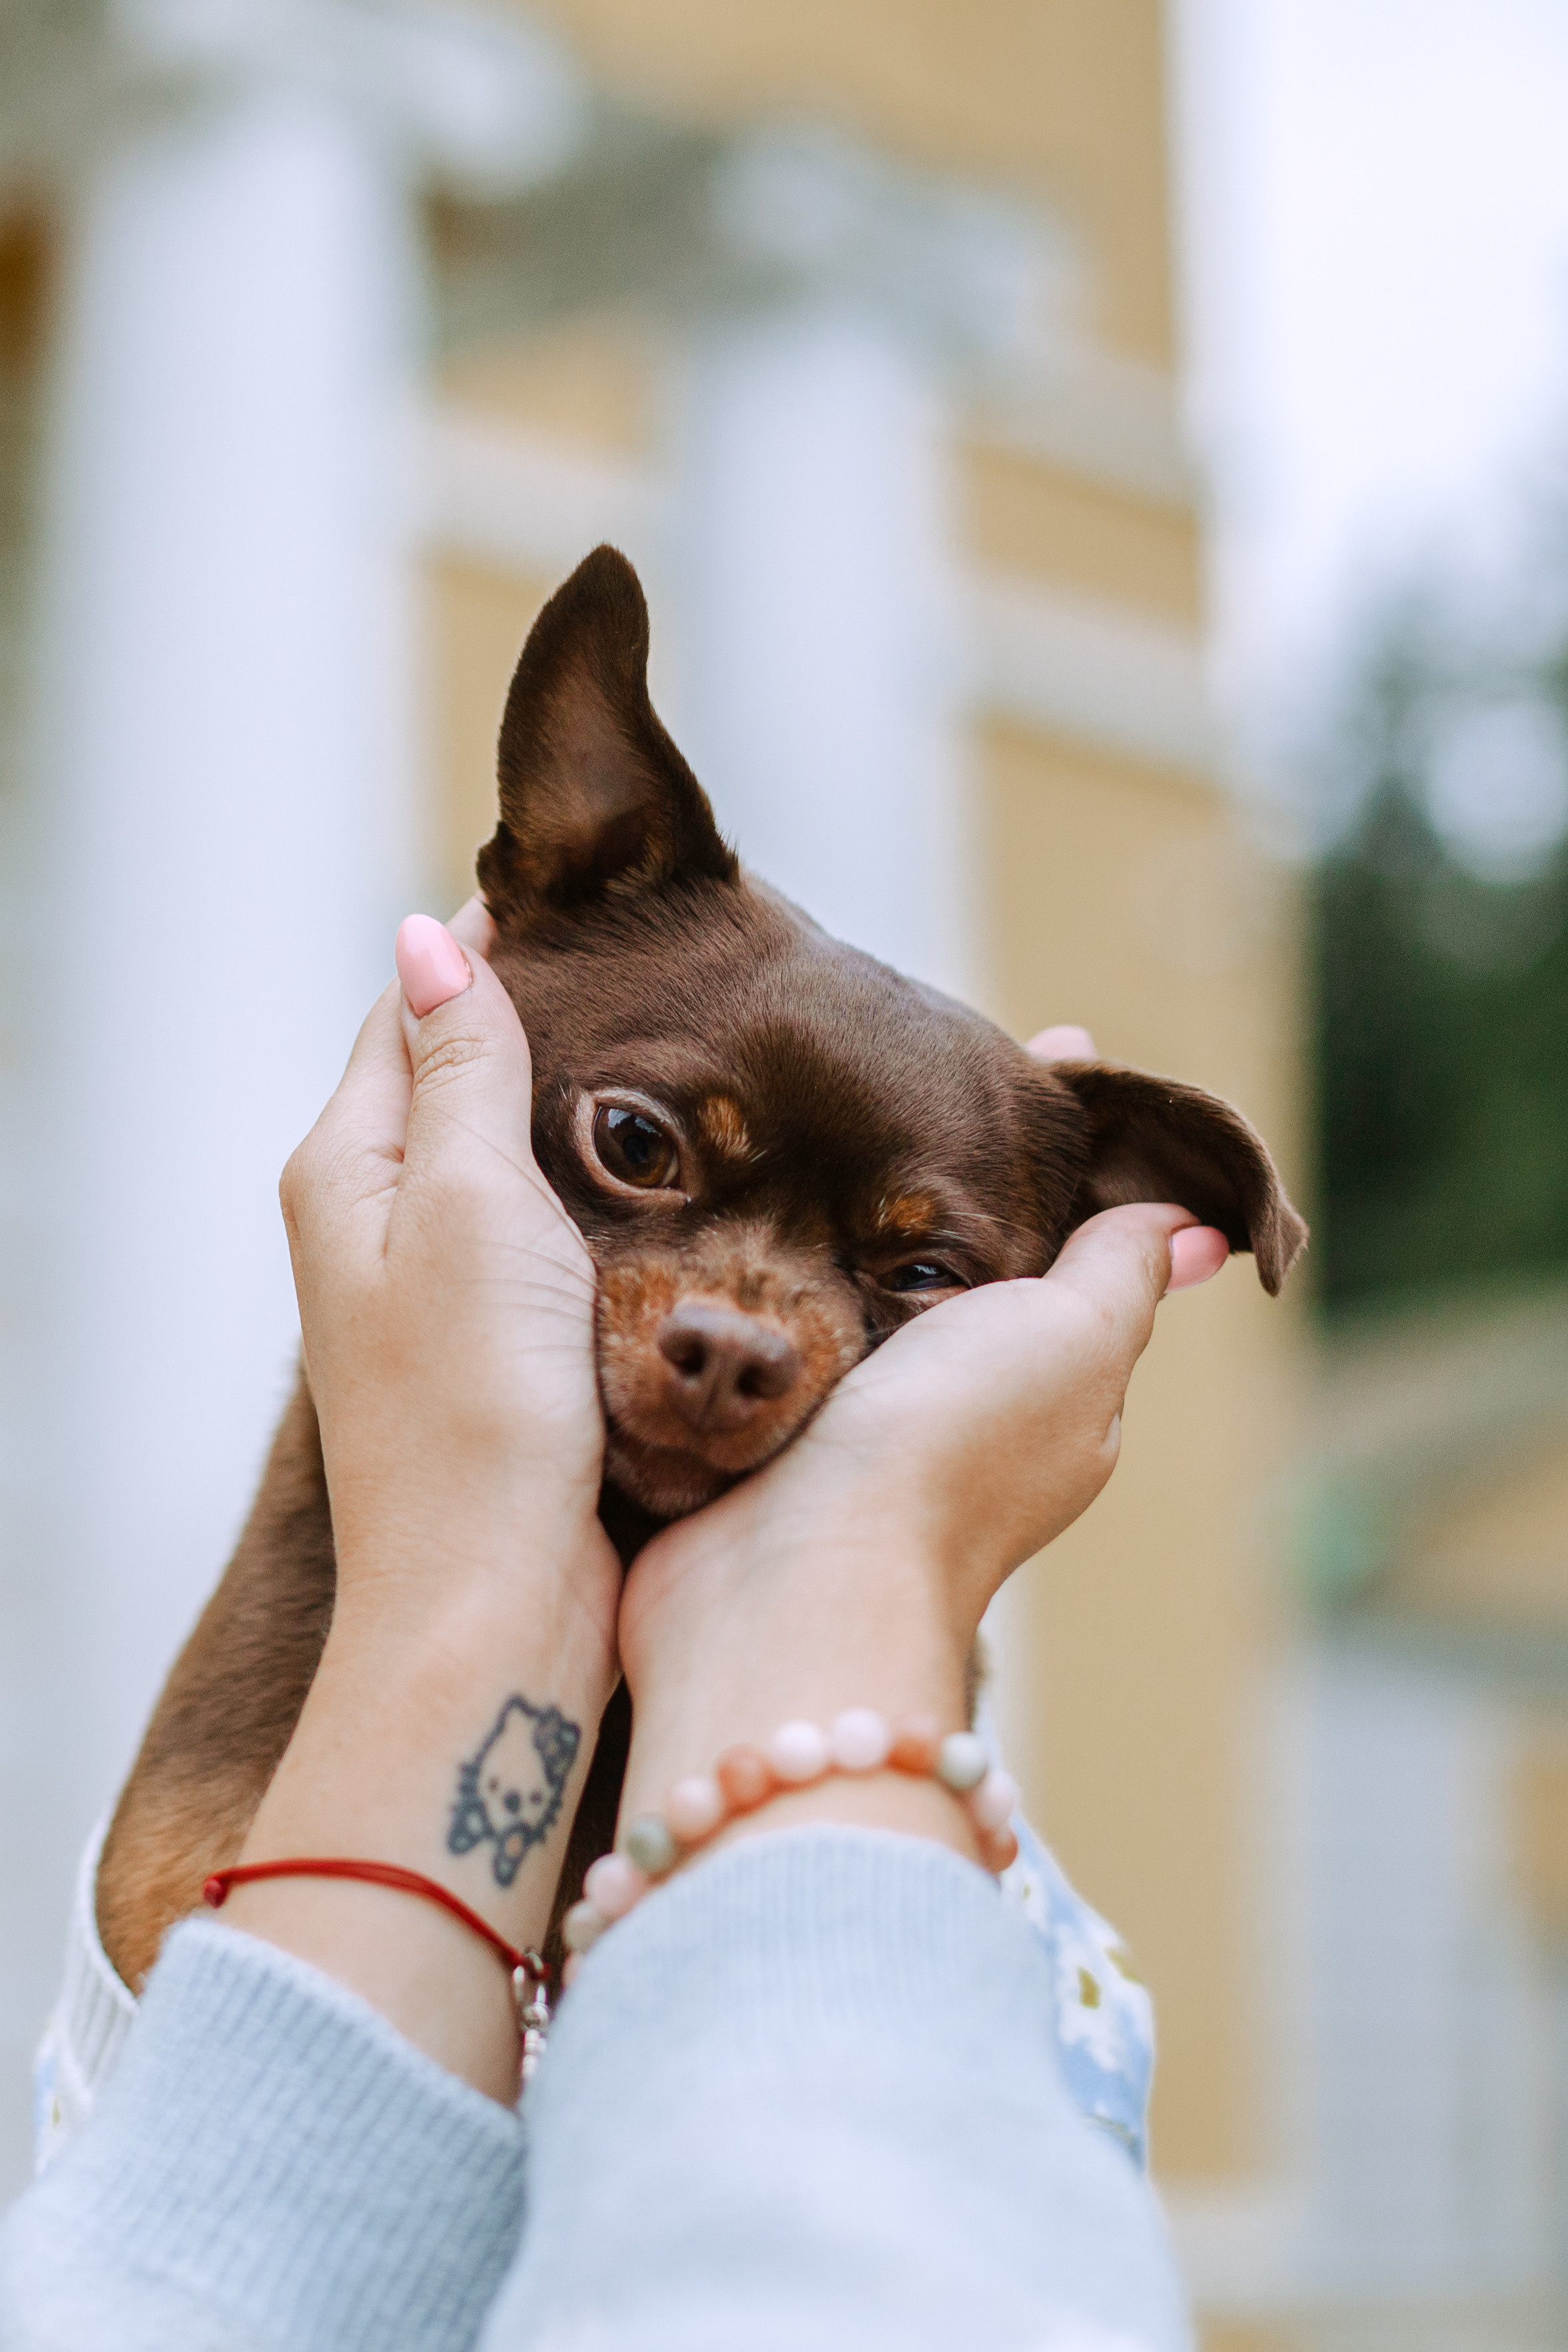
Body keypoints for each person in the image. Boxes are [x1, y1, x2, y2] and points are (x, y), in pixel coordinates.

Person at [1, 903, 1226, 2351]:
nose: (737, 1322)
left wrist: (848, 1547)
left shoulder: (1035, 1976)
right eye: (639, 1149)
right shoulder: (945, 1984)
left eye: (920, 1271)